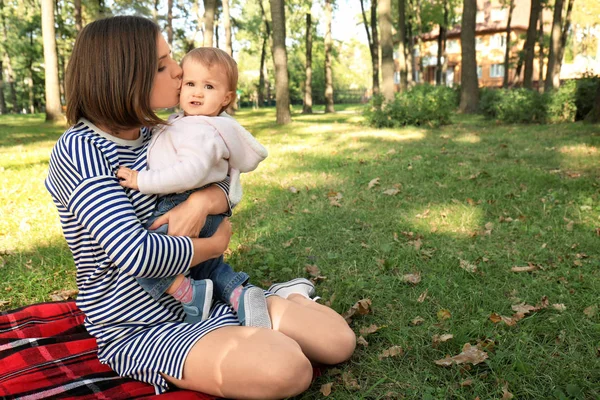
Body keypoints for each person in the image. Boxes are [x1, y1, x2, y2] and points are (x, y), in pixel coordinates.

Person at [45, 16, 355, 399]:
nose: (178, 72)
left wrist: (205, 200)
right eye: (162, 66)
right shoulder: (80, 152)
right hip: (142, 323)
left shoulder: (162, 131)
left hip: (210, 292)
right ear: (123, 76)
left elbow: (222, 177)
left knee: (339, 342)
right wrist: (213, 246)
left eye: (171, 59)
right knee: (288, 369)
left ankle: (279, 294)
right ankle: (260, 321)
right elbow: (135, 254)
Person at [116, 47, 270, 328]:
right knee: (207, 267)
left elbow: (190, 172)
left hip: (180, 202)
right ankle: (240, 295)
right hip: (198, 207)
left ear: (227, 98)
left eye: (208, 86)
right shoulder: (187, 122)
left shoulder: (201, 130)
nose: (197, 93)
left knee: (144, 256)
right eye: (190, 84)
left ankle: (188, 293)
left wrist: (142, 181)